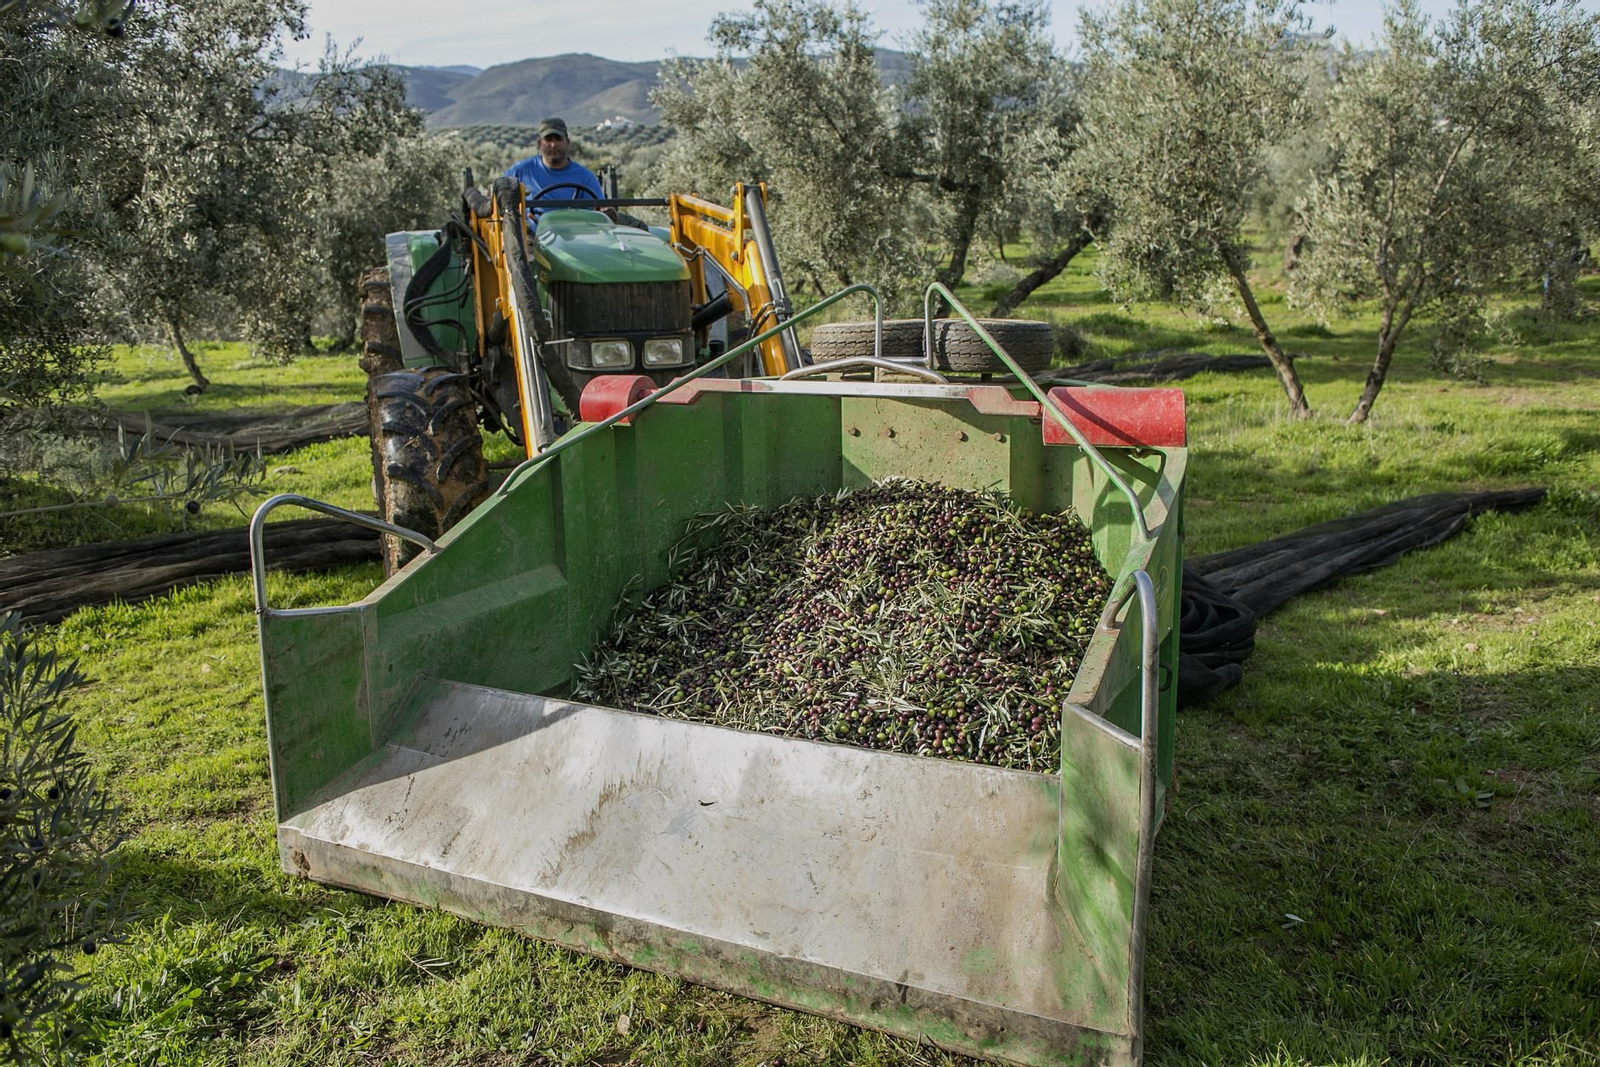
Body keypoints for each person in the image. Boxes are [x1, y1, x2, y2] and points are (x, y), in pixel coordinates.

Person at [506, 118, 603, 223]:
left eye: (558, 139)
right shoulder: (521, 171)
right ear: (540, 143)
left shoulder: (585, 177)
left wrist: (606, 211)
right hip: (532, 236)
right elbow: (497, 193)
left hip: (576, 235)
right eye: (548, 139)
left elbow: (599, 211)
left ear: (567, 142)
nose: (553, 145)